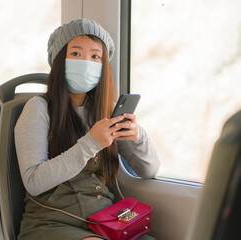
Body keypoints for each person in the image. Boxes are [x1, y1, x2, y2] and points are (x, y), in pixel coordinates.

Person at [15, 18, 160, 240]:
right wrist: (91, 143)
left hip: (104, 222)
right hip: (51, 223)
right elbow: (34, 182)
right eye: (75, 54)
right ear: (59, 60)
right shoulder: (38, 108)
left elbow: (149, 170)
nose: (85, 62)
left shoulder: (105, 111)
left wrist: (138, 137)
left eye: (95, 56)